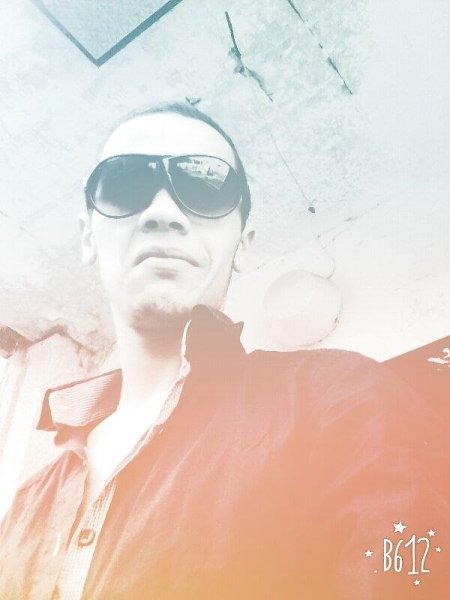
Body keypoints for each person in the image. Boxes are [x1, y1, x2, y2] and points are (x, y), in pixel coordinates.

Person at [0, 103, 448, 599]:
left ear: (245, 244)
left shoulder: (341, 399)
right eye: (125, 184)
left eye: (204, 186)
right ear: (89, 237)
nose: (163, 213)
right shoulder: (21, 510)